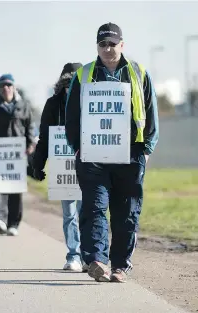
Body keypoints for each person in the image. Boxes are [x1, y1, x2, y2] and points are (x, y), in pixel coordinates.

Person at [65, 22, 159, 282]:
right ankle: (97, 260)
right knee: (94, 208)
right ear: (97, 46)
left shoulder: (139, 73)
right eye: (102, 44)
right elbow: (71, 116)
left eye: (112, 43)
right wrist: (77, 148)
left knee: (126, 212)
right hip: (93, 156)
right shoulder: (83, 75)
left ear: (122, 45)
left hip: (130, 155)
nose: (107, 49)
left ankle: (119, 266)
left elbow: (151, 115)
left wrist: (147, 150)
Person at [32, 63, 87, 272]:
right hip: (63, 166)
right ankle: (73, 255)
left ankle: (87, 255)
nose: (70, 86)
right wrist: (37, 164)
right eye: (67, 82)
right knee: (70, 213)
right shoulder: (52, 104)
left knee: (87, 212)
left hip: (87, 164)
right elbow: (45, 137)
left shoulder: (89, 101)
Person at [0, 74, 36, 236]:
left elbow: (30, 126)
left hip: (18, 155)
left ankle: (14, 224)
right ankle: (1, 219)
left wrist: (31, 144)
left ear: (14, 87)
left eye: (9, 85)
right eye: (2, 85)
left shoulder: (23, 105)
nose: (6, 88)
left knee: (16, 189)